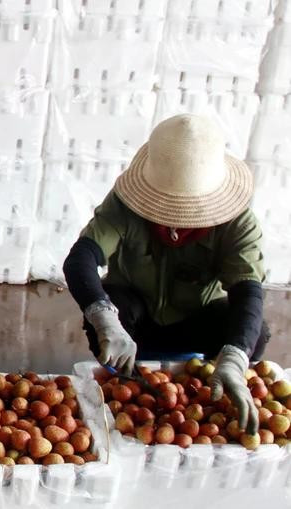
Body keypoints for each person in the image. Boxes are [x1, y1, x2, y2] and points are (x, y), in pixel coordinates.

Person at [63, 114, 267, 435]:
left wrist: (235, 357)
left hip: (196, 320)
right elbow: (80, 260)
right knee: (107, 306)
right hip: (133, 325)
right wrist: (105, 319)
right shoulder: (125, 206)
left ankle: (217, 381)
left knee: (253, 330)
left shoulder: (237, 223)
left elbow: (248, 292)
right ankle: (123, 385)